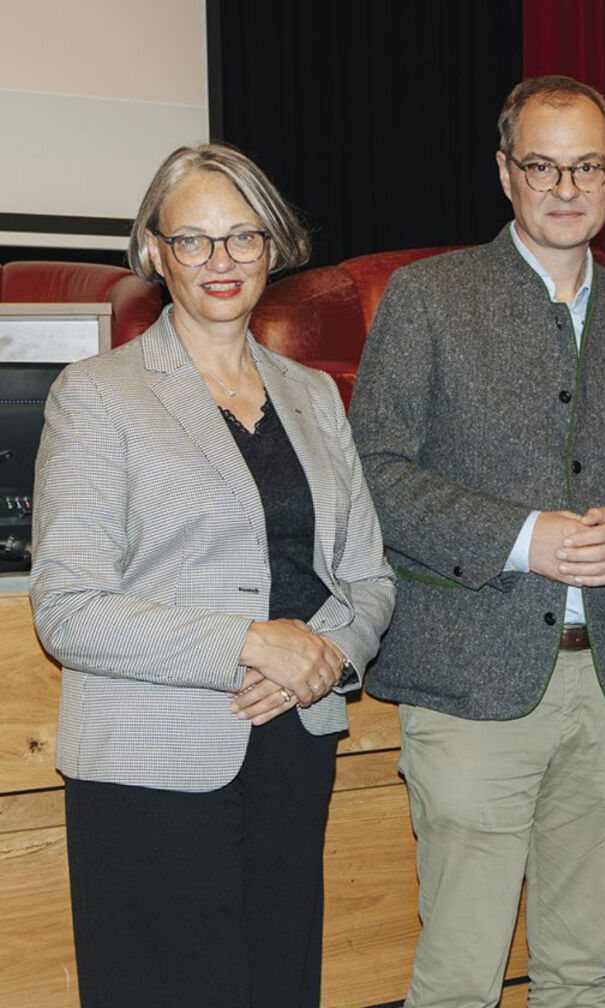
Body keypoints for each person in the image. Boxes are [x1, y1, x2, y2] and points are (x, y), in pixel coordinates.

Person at [349, 75, 605, 1008]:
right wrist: (520, 536)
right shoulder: (428, 299)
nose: (565, 186)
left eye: (586, 165)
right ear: (505, 172)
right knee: (461, 979)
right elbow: (377, 472)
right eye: (542, 164)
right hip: (471, 684)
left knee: (583, 973)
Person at [30, 143, 395, 1008]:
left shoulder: (313, 394)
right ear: (155, 251)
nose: (219, 261)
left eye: (241, 237)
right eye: (192, 240)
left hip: (290, 751)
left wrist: (324, 658)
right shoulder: (96, 393)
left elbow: (369, 580)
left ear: (273, 246)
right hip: (150, 766)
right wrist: (251, 645)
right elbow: (69, 609)